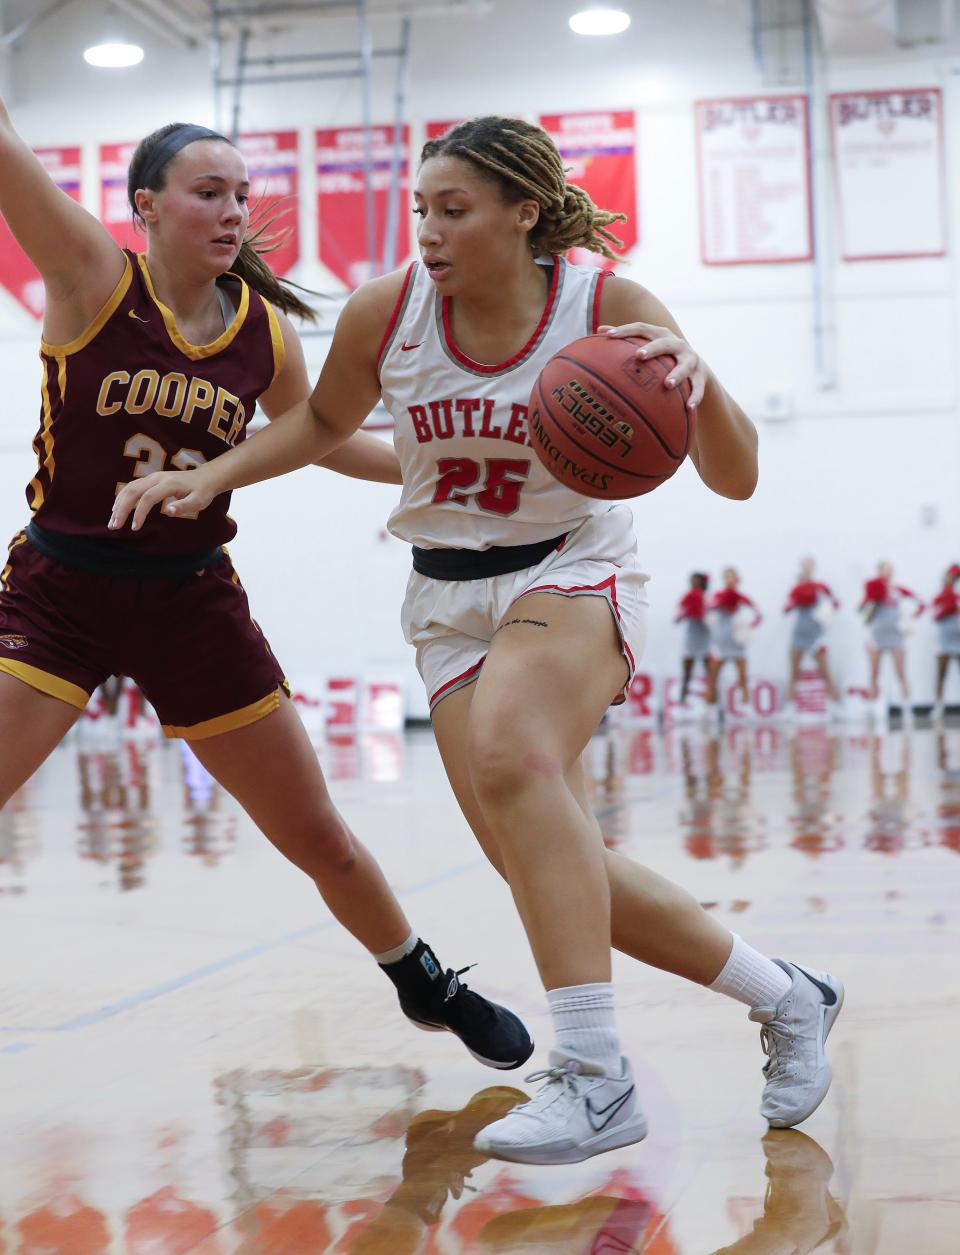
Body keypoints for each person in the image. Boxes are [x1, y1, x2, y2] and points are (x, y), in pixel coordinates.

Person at [111, 115, 845, 1165]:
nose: (429, 232)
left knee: (510, 753)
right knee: (546, 860)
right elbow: (320, 424)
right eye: (420, 209)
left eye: (453, 211)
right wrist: (209, 474)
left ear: (523, 214)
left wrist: (702, 377)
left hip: (572, 568)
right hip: (446, 598)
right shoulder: (389, 313)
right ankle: (790, 994)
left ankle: (595, 1074)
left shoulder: (607, 309)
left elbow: (735, 475)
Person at [0, 105, 534, 1072]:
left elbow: (326, 439)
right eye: (210, 193)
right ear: (147, 208)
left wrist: (447, 446)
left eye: (243, 195)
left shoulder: (263, 335)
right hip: (59, 590)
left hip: (189, 599)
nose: (234, 211)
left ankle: (423, 978)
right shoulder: (90, 274)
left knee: (318, 834)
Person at [859, 561, 924, 713]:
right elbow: (862, 609)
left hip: (895, 635)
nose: (887, 572)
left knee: (901, 671)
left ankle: (907, 706)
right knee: (874, 671)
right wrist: (871, 600)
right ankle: (872, 707)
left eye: (890, 570)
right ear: (879, 571)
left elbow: (920, 602)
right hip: (878, 633)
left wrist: (910, 619)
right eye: (884, 569)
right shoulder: (873, 589)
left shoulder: (898, 590)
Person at [783, 558, 841, 713]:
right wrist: (794, 602)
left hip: (817, 634)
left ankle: (835, 706)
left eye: (809, 565)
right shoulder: (795, 588)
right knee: (794, 672)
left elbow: (836, 603)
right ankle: (789, 708)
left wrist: (826, 611)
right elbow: (786, 608)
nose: (807, 568)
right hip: (799, 633)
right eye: (804, 565)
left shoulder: (821, 587)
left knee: (825, 671)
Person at [707, 567, 762, 714]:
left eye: (731, 577)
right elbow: (708, 610)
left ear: (737, 579)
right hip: (721, 642)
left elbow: (758, 614)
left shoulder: (741, 597)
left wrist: (750, 627)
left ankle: (745, 707)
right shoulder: (718, 596)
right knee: (713, 676)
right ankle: (710, 708)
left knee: (743, 676)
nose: (729, 580)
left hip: (737, 643)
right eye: (726, 577)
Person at [675, 570, 711, 711]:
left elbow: (711, 618)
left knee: (710, 674)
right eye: (692, 581)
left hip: (705, 639)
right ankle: (682, 703)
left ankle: (712, 704)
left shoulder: (707, 598)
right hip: (691, 640)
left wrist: (702, 614)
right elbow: (678, 615)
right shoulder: (688, 597)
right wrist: (686, 612)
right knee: (687, 673)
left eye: (696, 581)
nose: (693, 583)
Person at [930, 562, 960, 722]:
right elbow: (934, 615)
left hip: (958, 638)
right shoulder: (940, 596)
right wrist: (945, 608)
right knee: (941, 673)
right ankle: (939, 705)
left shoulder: (957, 597)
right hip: (944, 639)